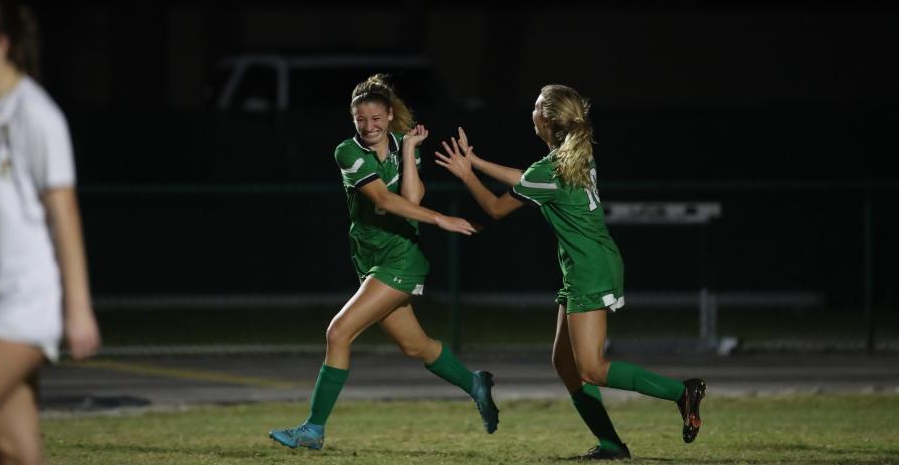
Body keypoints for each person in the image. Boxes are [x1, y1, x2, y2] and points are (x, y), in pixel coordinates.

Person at [435, 84, 705, 461]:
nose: (530, 112)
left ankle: (682, 391)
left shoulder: (553, 166)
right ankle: (611, 445)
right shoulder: (574, 154)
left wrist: (466, 175)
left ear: (545, 118)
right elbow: (525, 177)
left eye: (534, 106)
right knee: (565, 364)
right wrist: (476, 162)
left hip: (590, 269)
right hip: (587, 263)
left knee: (591, 369)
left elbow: (496, 209)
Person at [269, 74, 498, 450]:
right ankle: (475, 383)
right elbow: (384, 201)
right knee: (416, 346)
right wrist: (442, 218)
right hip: (370, 256)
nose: (369, 126)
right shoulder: (348, 152)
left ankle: (313, 429)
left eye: (376, 118)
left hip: (402, 256)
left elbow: (411, 197)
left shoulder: (403, 146)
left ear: (390, 115)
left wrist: (409, 152)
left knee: (338, 333)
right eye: (361, 120)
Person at [0, 0, 101, 465]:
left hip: (24, 307)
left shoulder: (36, 115)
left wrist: (78, 309)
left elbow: (63, 215)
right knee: (15, 452)